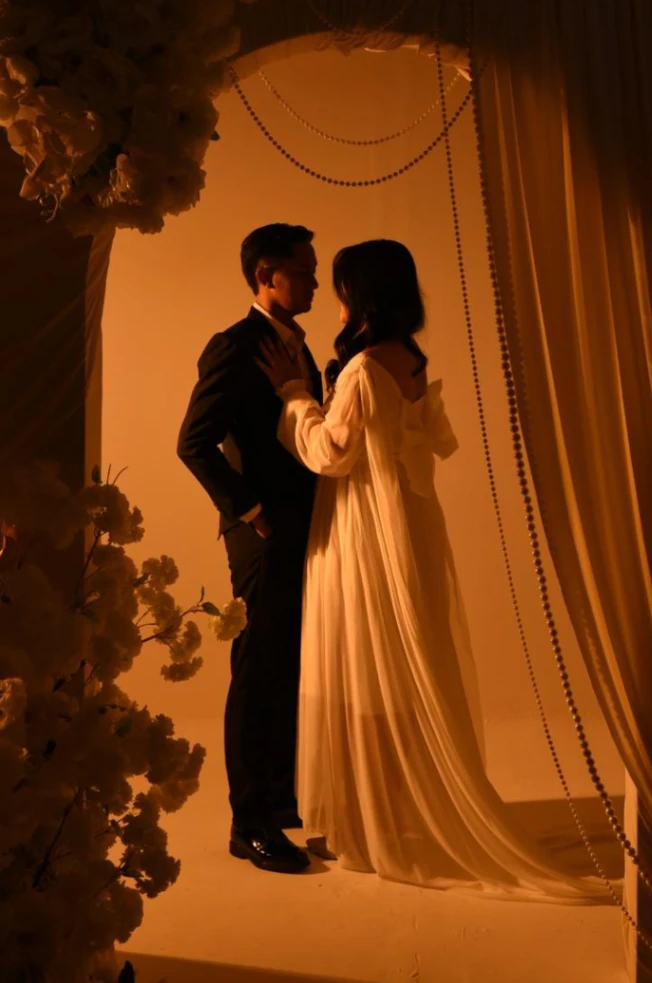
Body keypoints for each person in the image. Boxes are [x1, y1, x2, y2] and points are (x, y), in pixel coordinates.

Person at [257, 238, 609, 900]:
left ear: (360, 295)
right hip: (410, 521)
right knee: (397, 658)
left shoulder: (364, 368)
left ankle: (367, 825)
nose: (332, 298)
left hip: (366, 528)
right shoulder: (409, 359)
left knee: (363, 662)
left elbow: (330, 453)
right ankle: (383, 809)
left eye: (340, 287)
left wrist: (296, 395)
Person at [177, 223, 321, 875]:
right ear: (267, 275)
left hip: (301, 527)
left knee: (289, 663)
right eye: (303, 269)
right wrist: (253, 511)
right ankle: (248, 821)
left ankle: (281, 798)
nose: (314, 281)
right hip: (260, 535)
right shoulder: (234, 345)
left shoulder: (298, 345)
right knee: (258, 667)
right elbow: (193, 441)